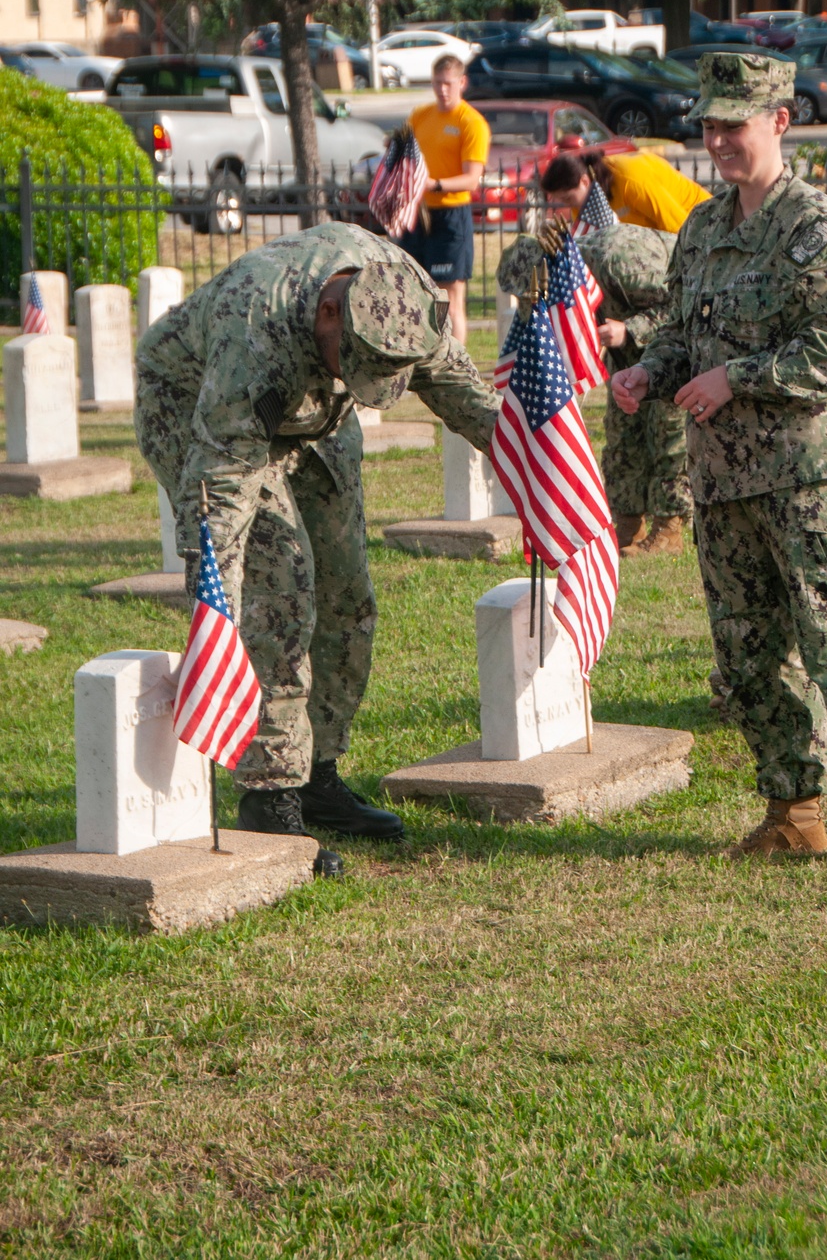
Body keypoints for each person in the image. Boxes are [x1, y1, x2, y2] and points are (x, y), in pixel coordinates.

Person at [611, 51, 827, 868]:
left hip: (807, 476)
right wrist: (651, 369)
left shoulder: (822, 227)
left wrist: (736, 378)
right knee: (749, 651)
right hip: (723, 479)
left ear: (780, 122)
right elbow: (685, 334)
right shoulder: (702, 229)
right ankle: (794, 812)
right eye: (710, 124)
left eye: (735, 123)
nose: (719, 138)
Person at [136, 223, 499, 872]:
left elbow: (468, 397)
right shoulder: (255, 330)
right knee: (279, 595)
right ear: (330, 313)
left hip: (316, 414)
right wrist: (211, 593)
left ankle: (317, 773)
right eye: (360, 367)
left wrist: (538, 471)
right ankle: (269, 799)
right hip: (204, 403)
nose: (375, 383)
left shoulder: (404, 297)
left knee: (346, 594)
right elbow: (221, 490)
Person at [497, 222, 691, 554]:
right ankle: (628, 522)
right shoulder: (551, 278)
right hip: (629, 349)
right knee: (622, 427)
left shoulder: (621, 260)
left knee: (666, 429)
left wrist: (630, 328)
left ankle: (669, 527)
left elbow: (682, 306)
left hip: (674, 345)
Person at [400, 53, 490, 345]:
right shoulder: (420, 116)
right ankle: (421, 356)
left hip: (451, 216)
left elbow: (472, 179)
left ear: (462, 83)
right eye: (437, 83)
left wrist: (434, 184)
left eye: (448, 84)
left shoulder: (471, 123)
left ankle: (456, 361)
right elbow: (402, 155)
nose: (442, 90)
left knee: (450, 296)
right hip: (419, 214)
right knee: (413, 289)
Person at [539, 147, 708, 235]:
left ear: (584, 181)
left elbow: (680, 228)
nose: (568, 206)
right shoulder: (581, 201)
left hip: (701, 223)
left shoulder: (630, 180)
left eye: (568, 198)